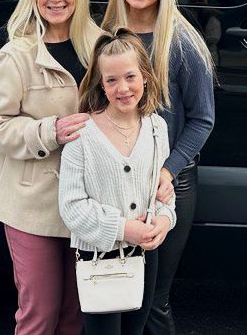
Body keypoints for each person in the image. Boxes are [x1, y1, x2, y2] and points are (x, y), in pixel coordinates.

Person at [0, 0, 101, 335]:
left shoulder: (102, 47)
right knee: (40, 314)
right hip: (32, 205)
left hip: (88, 202)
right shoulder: (15, 55)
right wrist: (51, 131)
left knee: (75, 316)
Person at [101, 0, 216, 335]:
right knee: (113, 297)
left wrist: (168, 171)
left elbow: (202, 120)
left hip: (166, 187)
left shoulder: (182, 42)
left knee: (152, 302)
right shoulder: (105, 36)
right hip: (114, 185)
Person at [58, 29, 176, 335]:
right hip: (99, 259)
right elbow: (71, 207)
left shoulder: (156, 128)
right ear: (101, 83)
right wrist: (124, 229)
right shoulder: (82, 135)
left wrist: (165, 221)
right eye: (111, 80)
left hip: (145, 255)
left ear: (145, 77)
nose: (122, 88)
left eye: (130, 77)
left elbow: (162, 194)